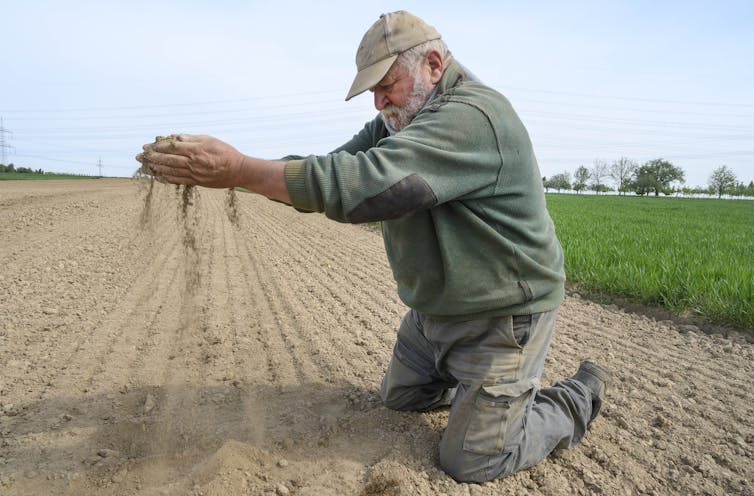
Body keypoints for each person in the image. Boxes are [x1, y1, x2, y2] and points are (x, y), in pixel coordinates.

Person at [137, 10, 612, 483]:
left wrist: (240, 170)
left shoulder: (472, 117)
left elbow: (366, 186)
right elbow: (336, 166)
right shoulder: (399, 120)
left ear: (432, 63)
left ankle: (572, 399)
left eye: (387, 85)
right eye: (373, 92)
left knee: (472, 461)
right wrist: (240, 173)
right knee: (401, 400)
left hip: (502, 315)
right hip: (436, 313)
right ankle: (482, 395)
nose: (379, 103)